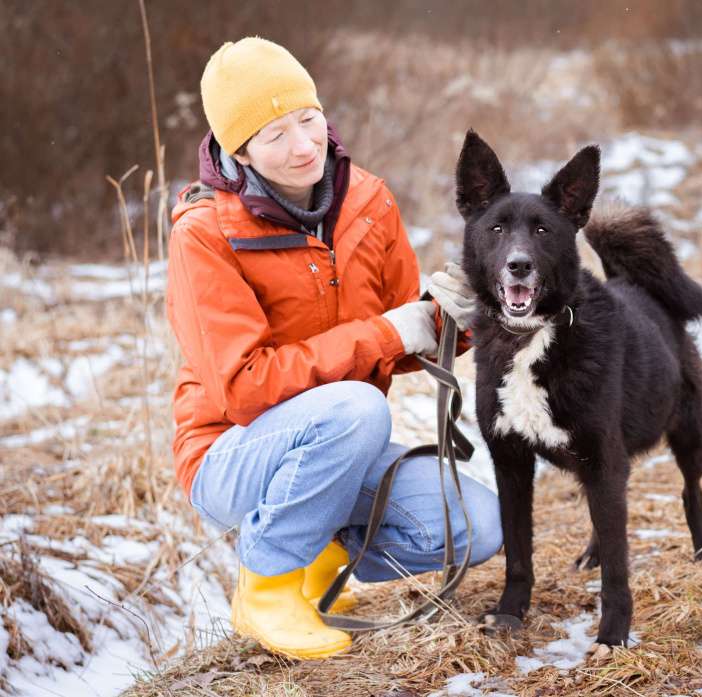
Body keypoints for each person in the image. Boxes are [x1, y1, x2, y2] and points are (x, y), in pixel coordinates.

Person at [166, 37, 501, 660]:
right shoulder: (205, 233)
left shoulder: (367, 201)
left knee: (476, 526)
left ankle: (318, 557)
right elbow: (243, 389)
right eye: (274, 135)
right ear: (238, 151)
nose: (303, 146)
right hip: (230, 454)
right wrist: (387, 332)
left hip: (340, 445)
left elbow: (401, 340)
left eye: (308, 119)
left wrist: (453, 316)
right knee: (356, 406)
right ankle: (267, 587)